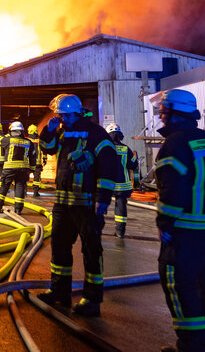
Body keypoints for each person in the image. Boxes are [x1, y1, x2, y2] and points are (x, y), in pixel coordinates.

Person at [155, 89, 205, 352]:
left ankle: (192, 345)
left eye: (163, 112)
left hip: (186, 230)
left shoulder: (174, 144)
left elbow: (173, 190)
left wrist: (165, 223)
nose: (161, 118)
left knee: (179, 285)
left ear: (173, 114)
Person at [36, 94, 119, 317]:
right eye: (59, 116)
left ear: (76, 112)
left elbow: (110, 164)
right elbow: (48, 148)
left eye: (63, 115)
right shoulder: (62, 131)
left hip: (88, 205)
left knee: (91, 251)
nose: (61, 119)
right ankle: (59, 291)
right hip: (63, 203)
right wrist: (49, 130)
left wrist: (103, 199)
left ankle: (92, 300)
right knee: (60, 248)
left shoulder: (96, 134)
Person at [0, 121, 34, 214]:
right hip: (23, 169)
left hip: (10, 168)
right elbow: (33, 156)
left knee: (3, 186)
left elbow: (0, 140)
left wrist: (8, 134)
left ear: (12, 131)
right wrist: (32, 169)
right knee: (20, 187)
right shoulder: (28, 142)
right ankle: (18, 209)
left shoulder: (8, 139)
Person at [106, 123, 139, 238]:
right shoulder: (126, 149)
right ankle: (120, 232)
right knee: (121, 207)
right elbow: (134, 165)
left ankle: (96, 229)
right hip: (122, 185)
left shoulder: (105, 147)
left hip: (107, 184)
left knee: (100, 205)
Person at [27, 123, 44, 197]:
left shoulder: (26, 140)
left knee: (25, 177)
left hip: (28, 163)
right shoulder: (40, 141)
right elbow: (44, 151)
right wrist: (44, 159)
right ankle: (35, 192)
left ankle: (23, 191)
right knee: (37, 178)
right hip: (37, 163)